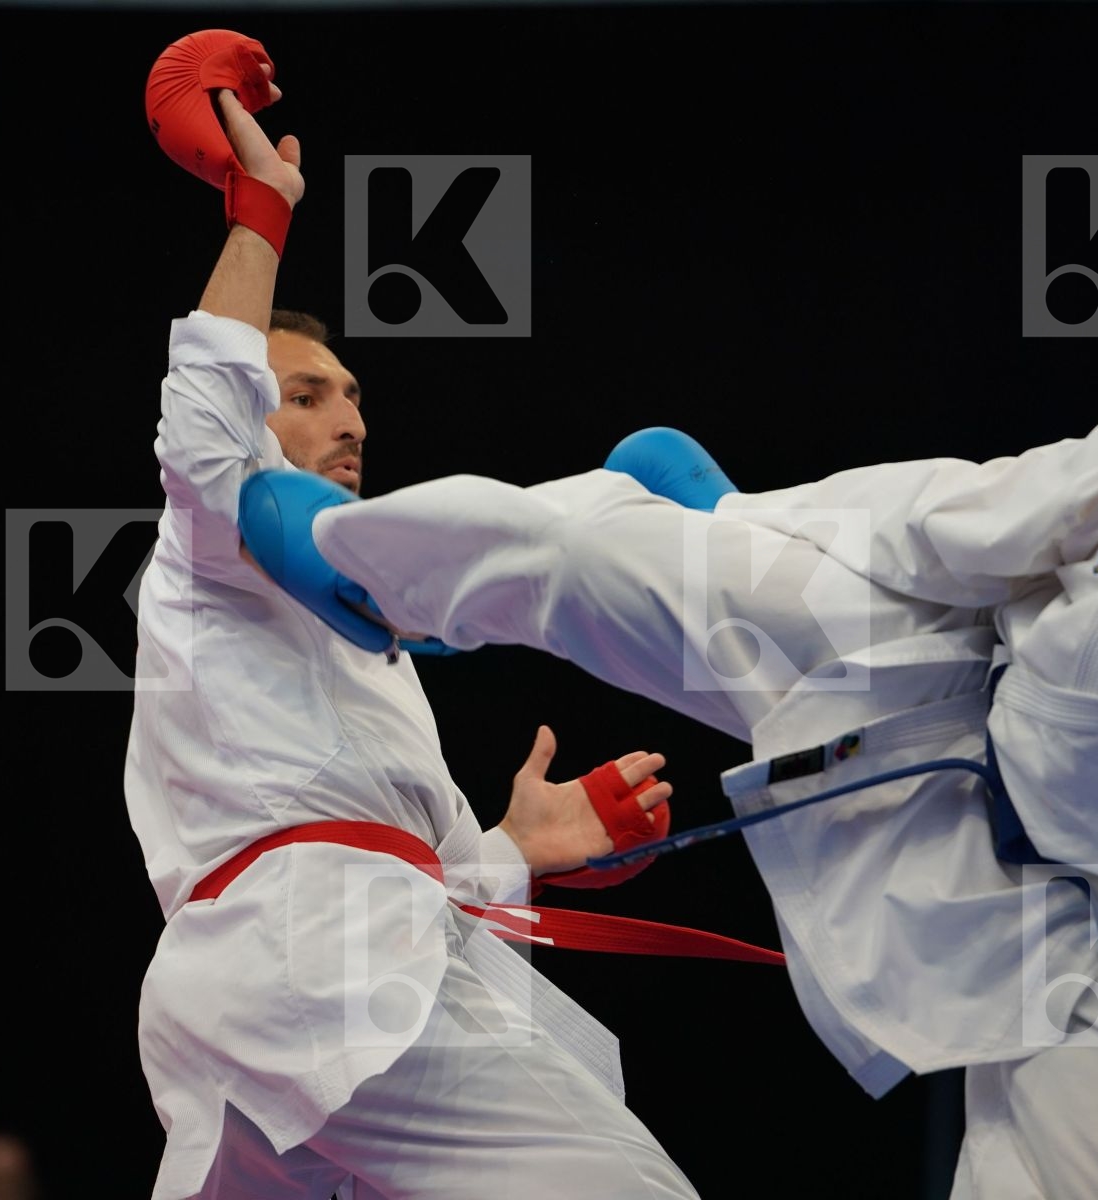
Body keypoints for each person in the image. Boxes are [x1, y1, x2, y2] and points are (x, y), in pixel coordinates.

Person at [243, 354, 1098, 1197]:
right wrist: (749, 526)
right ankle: (363, 565)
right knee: (601, 563)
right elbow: (948, 519)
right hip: (953, 697)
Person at [127, 31, 703, 1200]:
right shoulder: (214, 544)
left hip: (286, 975)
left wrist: (515, 849)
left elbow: (414, 866)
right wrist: (260, 211)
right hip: (316, 963)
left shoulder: (362, 638)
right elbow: (204, 432)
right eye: (308, 395)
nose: (352, 420)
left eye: (355, 397)